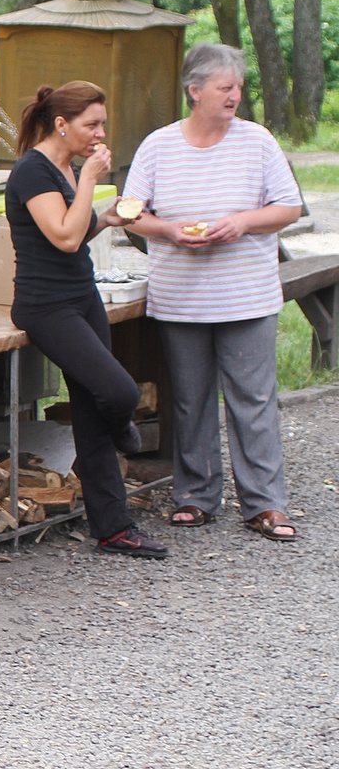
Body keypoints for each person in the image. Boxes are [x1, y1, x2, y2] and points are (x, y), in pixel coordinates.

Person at [123, 43, 303, 540]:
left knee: (254, 398)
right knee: (190, 400)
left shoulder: (258, 141)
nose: (235, 97)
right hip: (182, 298)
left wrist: (244, 221)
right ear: (194, 91)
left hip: (247, 296)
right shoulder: (159, 145)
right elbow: (129, 212)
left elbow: (289, 208)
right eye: (226, 88)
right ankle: (196, 496)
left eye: (239, 88)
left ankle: (265, 504)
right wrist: (170, 231)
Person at [5, 81, 166, 558]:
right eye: (91, 124)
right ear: (61, 124)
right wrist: (94, 178)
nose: (100, 133)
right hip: (45, 306)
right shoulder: (32, 172)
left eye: (102, 124)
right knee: (119, 392)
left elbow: (79, 226)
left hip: (81, 295)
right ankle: (126, 433)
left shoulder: (66, 167)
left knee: (92, 412)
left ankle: (114, 529)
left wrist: (108, 217)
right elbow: (64, 238)